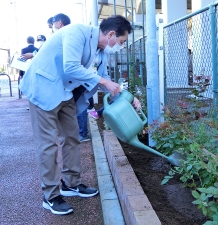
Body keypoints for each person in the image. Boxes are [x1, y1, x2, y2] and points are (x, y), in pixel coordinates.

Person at [19, 15, 140, 216]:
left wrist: (129, 97)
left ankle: (71, 183)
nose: (121, 46)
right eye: (121, 41)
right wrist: (103, 81)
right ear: (111, 34)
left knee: (72, 138)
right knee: (48, 144)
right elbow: (71, 66)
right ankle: (50, 196)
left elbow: (107, 80)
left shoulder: (102, 51)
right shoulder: (77, 32)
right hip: (44, 88)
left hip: (66, 93)